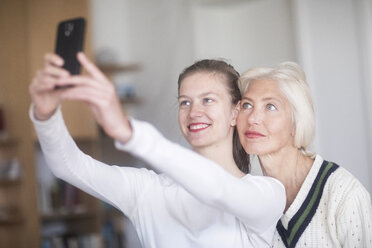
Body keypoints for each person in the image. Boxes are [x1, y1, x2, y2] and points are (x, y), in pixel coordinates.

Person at [29, 52, 286, 248]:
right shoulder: (146, 190)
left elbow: (217, 190)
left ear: (234, 112)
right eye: (185, 102)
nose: (194, 112)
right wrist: (45, 114)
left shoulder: (266, 194)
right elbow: (69, 166)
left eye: (208, 100)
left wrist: (130, 133)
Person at [236, 61, 372, 248]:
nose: (252, 118)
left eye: (270, 106)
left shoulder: (344, 194)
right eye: (246, 105)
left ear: (296, 122)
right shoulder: (252, 201)